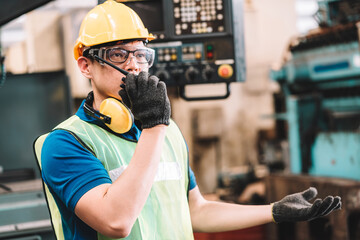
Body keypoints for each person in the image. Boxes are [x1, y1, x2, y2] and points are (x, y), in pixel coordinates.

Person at [34, 1, 342, 239]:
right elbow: (116, 222)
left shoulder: (167, 130)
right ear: (86, 65)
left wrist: (274, 211)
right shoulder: (67, 143)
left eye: (141, 55)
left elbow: (197, 209)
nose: (135, 67)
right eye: (118, 55)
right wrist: (153, 126)